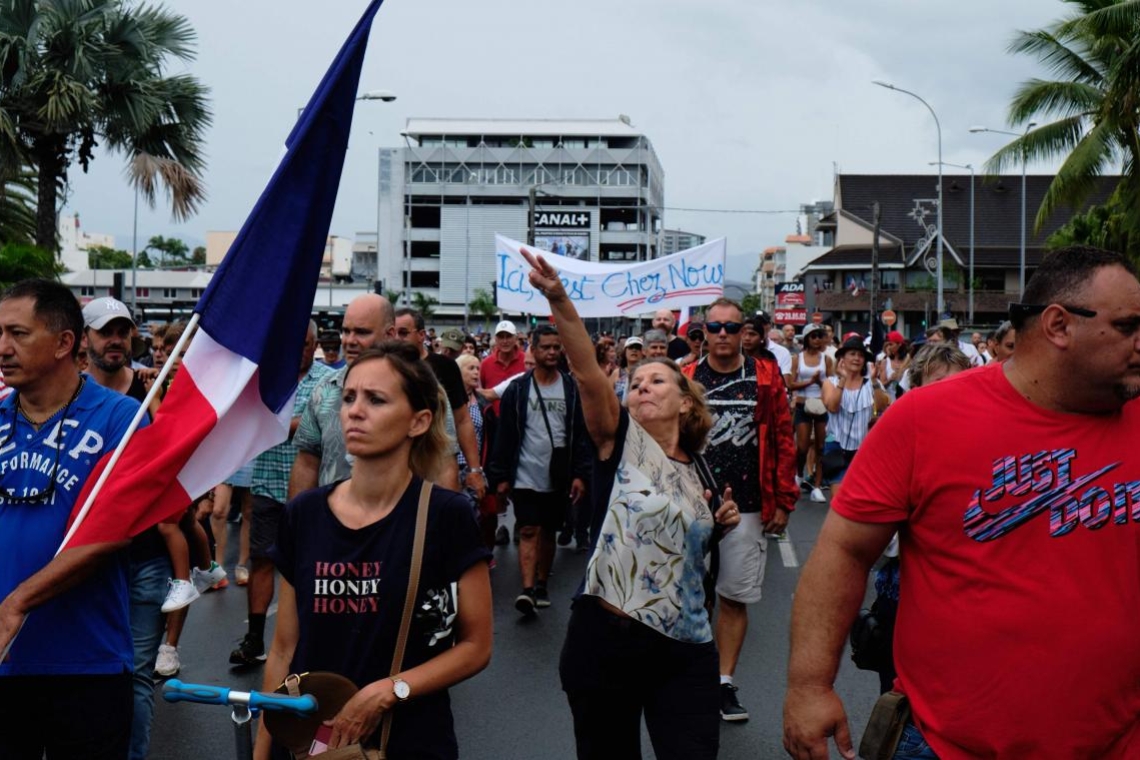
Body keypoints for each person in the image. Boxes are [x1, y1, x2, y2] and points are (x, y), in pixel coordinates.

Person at [783, 246, 1140, 760]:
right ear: (1059, 325)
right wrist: (809, 686)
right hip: (948, 744)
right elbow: (845, 550)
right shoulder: (925, 419)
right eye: (1128, 326)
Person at [518, 248, 740, 760]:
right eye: (636, 383)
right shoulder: (618, 442)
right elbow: (587, 372)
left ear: (686, 401)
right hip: (607, 641)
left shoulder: (701, 467)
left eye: (656, 381)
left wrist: (719, 523)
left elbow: (687, 539)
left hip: (687, 647)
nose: (641, 387)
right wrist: (560, 300)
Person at [255, 342, 492, 760]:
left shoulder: (444, 515)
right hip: (310, 742)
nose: (354, 410)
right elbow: (283, 650)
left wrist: (390, 689)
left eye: (375, 399)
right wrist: (263, 752)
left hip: (409, 740)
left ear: (418, 422)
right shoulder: (303, 515)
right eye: (349, 397)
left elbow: (476, 645)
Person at [0, 279, 145, 759]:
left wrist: (17, 602)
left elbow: (113, 533)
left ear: (65, 342)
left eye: (18, 333)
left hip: (87, 665)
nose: (3, 347)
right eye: (0, 333)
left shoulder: (120, 419)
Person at [683, 298, 797, 723]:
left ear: (745, 331)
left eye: (733, 327)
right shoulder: (686, 377)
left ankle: (723, 681)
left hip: (749, 505)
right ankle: (689, 676)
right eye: (716, 328)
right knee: (689, 594)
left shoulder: (765, 377)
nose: (725, 335)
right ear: (704, 332)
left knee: (733, 595)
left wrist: (784, 500)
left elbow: (785, 438)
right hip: (693, 504)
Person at [230, 321, 332, 667]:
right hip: (268, 482)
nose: (299, 349)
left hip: (310, 490)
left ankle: (307, 639)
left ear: (314, 344)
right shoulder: (268, 378)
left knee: (309, 566)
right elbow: (249, 417)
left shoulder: (327, 380)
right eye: (294, 343)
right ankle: (255, 638)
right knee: (262, 560)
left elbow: (311, 423)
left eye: (305, 343)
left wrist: (271, 425)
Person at [487, 325, 592, 614]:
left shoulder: (571, 388)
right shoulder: (518, 389)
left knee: (548, 531)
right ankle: (527, 589)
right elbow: (505, 435)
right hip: (525, 474)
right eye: (546, 347)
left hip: (559, 475)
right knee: (529, 528)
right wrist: (501, 477)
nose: (552, 352)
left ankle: (543, 582)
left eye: (556, 347)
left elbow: (581, 435)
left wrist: (581, 474)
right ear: (532, 349)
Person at [289, 293, 395, 496]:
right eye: (346, 331)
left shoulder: (420, 390)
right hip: (330, 523)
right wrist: (297, 522)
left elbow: (442, 464)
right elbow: (307, 463)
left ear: (389, 335)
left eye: (362, 332)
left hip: (399, 522)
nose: (350, 341)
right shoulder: (324, 389)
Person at [394, 308, 483, 498]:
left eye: (403, 333)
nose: (396, 338)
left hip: (440, 465)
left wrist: (474, 470)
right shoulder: (385, 368)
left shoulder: (445, 367)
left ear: (421, 335)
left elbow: (462, 420)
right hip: (396, 468)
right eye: (392, 333)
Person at [819, 336, 890, 504]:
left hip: (863, 448)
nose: (857, 359)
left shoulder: (872, 383)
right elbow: (833, 407)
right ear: (842, 359)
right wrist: (843, 380)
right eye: (852, 354)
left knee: (861, 500)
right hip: (836, 446)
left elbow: (881, 407)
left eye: (860, 355)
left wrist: (873, 380)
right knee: (838, 500)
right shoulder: (831, 382)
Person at [786, 323, 833, 503]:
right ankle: (798, 475)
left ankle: (817, 486)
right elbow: (790, 384)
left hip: (820, 405)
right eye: (813, 336)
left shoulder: (826, 360)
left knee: (821, 447)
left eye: (819, 336)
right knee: (803, 447)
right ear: (806, 339)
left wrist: (820, 383)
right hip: (802, 405)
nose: (817, 339)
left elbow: (830, 384)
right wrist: (810, 382)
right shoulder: (798, 358)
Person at [479, 320, 526, 415]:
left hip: (521, 419)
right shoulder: (486, 364)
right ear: (495, 339)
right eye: (501, 337)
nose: (505, 341)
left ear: (516, 338)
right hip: (494, 421)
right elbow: (481, 393)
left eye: (508, 336)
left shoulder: (526, 360)